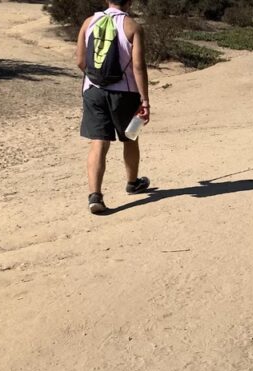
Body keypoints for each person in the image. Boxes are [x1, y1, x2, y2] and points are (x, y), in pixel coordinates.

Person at [76, 0, 151, 214]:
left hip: (94, 90)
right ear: (129, 1)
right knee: (130, 137)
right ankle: (132, 182)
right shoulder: (132, 27)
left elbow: (80, 60)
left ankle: (95, 196)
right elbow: (138, 66)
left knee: (98, 142)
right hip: (125, 92)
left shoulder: (89, 22)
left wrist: (96, 79)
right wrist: (144, 100)